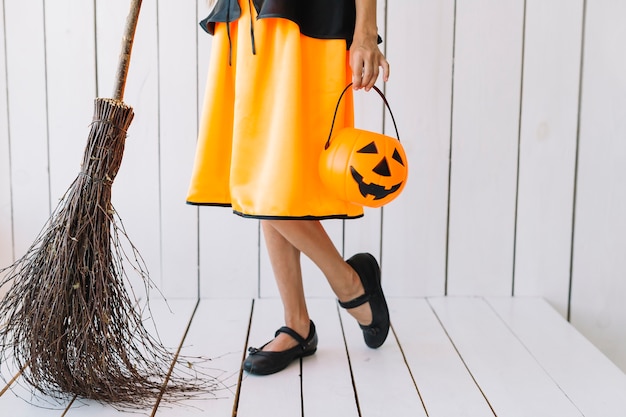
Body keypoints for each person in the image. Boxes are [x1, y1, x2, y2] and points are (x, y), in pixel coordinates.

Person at [187, 0, 390, 376]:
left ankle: (347, 285)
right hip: (246, 18)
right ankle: (301, 319)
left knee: (273, 170)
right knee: (266, 167)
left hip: (306, 15)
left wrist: (365, 30)